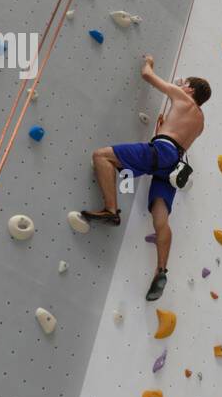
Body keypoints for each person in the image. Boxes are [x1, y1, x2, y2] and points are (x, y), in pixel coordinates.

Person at [83, 55, 208, 300]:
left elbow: (147, 75)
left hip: (162, 151)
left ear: (190, 90)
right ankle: (161, 270)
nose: (180, 87)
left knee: (101, 156)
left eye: (184, 85)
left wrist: (149, 61)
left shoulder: (183, 97)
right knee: (161, 219)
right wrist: (162, 129)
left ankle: (111, 209)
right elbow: (178, 136)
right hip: (173, 165)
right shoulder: (201, 122)